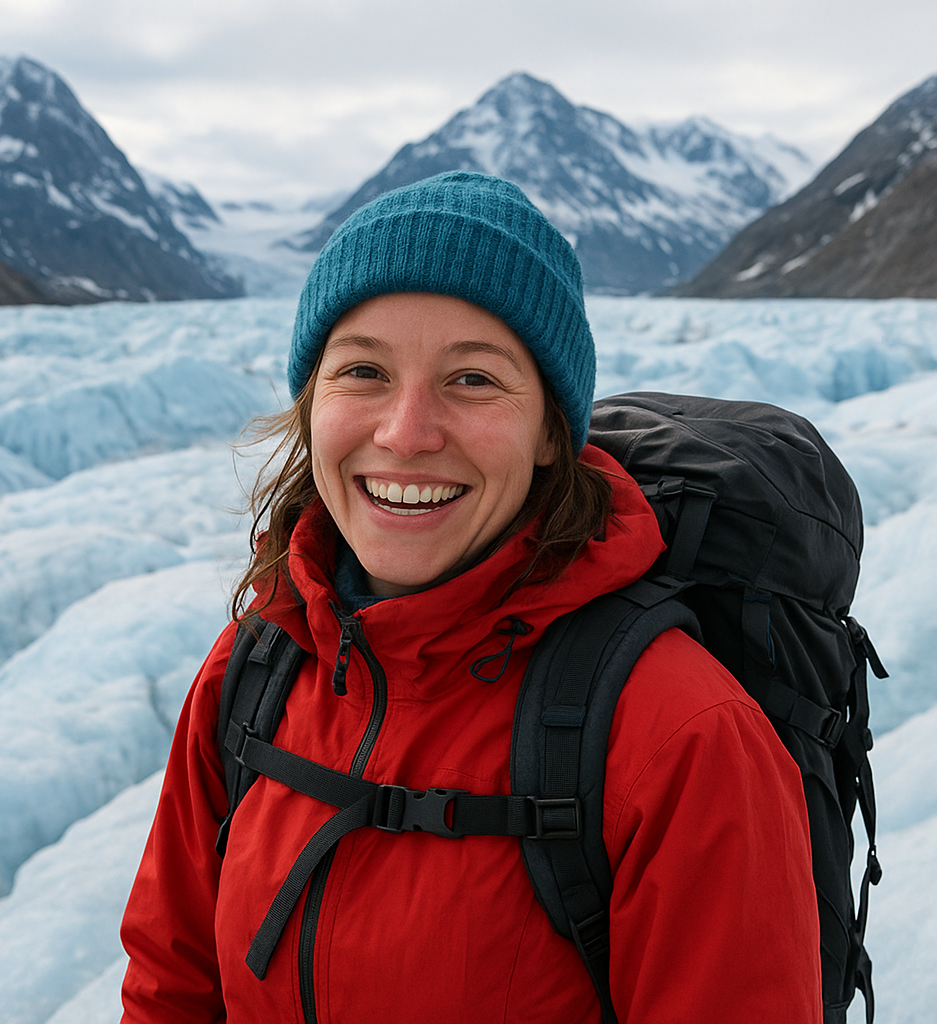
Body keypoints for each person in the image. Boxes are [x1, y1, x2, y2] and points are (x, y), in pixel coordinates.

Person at [120, 172, 822, 1023]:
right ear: (311, 408)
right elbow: (169, 989)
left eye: (474, 381)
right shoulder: (253, 673)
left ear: (553, 435)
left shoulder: (677, 734)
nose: (407, 433)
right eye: (364, 371)